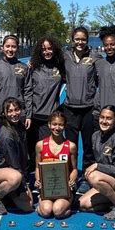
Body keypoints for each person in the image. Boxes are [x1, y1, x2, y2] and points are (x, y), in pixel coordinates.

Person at [79, 106, 115, 221]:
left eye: (109, 118)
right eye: (102, 117)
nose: (104, 121)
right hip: (109, 179)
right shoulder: (95, 136)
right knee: (82, 204)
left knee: (93, 176)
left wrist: (98, 166)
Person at [62, 27, 102, 191]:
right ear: (72, 39)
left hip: (88, 109)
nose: (80, 42)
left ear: (87, 40)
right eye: (77, 39)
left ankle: (86, 176)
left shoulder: (95, 57)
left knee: (88, 146)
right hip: (70, 109)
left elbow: (103, 77)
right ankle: (71, 174)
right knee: (71, 146)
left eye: (83, 39)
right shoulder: (64, 56)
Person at [0, 97, 33, 215]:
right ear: (4, 114)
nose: (14, 114)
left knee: (28, 207)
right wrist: (24, 185)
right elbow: (14, 163)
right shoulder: (6, 134)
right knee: (16, 178)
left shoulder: (20, 127)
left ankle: (8, 194)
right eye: (10, 111)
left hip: (12, 171)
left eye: (16, 110)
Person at [26, 36, 66, 171]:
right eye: (43, 49)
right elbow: (25, 89)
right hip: (32, 117)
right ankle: (32, 179)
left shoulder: (60, 67)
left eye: (49, 49)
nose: (46, 52)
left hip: (49, 118)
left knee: (47, 152)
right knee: (31, 150)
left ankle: (49, 180)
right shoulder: (33, 67)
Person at [0, 35, 31, 136]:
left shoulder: (23, 68)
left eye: (13, 47)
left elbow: (28, 92)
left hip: (18, 114)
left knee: (17, 146)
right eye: (7, 46)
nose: (10, 49)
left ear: (17, 48)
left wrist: (28, 115)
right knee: (0, 146)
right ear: (2, 48)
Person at [34, 111, 77, 219]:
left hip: (63, 189)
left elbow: (74, 169)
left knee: (58, 212)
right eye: (54, 124)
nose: (57, 128)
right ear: (49, 125)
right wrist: (39, 180)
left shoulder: (71, 146)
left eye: (60, 125)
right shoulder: (40, 145)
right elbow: (37, 167)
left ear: (64, 126)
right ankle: (41, 205)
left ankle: (70, 202)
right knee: (46, 212)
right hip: (47, 189)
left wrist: (71, 181)